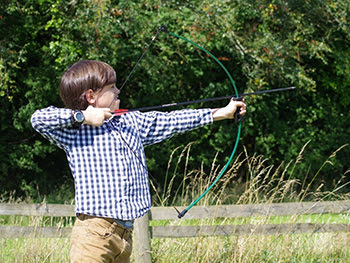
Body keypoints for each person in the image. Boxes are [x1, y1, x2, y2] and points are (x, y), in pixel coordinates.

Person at [31, 60, 247, 263]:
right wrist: (84, 117)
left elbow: (172, 120)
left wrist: (222, 113)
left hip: (125, 235)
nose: (118, 91)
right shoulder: (75, 131)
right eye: (112, 87)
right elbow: (38, 119)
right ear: (91, 96)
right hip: (93, 234)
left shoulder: (130, 122)